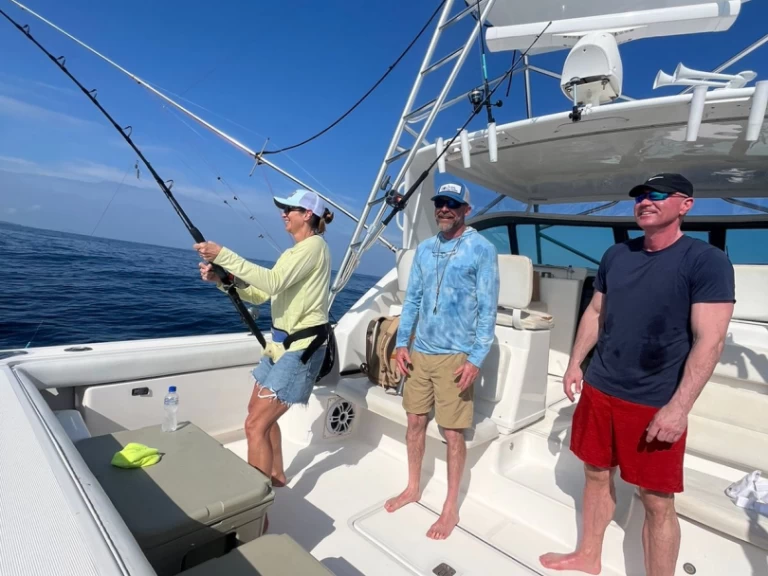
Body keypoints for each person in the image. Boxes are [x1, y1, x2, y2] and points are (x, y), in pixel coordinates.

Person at [540, 173, 735, 576]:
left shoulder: (705, 261)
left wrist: (678, 408)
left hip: (654, 401)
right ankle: (588, 556)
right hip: (600, 387)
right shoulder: (617, 255)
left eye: (658, 195)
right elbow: (596, 312)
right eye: (641, 196)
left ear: (685, 205)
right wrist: (576, 363)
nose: (646, 201)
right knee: (594, 474)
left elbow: (709, 341)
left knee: (656, 500)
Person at [195, 189, 334, 491]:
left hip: (302, 349)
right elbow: (263, 293)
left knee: (255, 425)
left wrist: (223, 255)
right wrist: (224, 280)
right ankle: (278, 475)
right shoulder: (294, 253)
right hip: (279, 348)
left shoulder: (314, 247)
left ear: (307, 214)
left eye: (289, 209)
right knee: (256, 416)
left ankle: (256, 503)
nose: (283, 213)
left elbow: (272, 281)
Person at [385, 181, 500, 540]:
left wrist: (476, 359)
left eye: (452, 204)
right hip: (421, 352)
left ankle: (450, 508)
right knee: (415, 421)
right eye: (440, 203)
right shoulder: (425, 249)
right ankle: (413, 487)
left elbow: (487, 309)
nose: (444, 209)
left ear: (466, 209)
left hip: (456, 356)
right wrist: (402, 343)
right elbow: (414, 299)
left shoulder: (482, 249)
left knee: (452, 432)